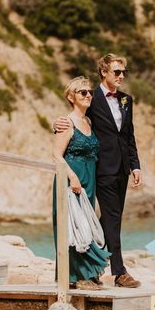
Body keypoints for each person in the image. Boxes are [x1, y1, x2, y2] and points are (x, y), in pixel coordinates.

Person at [54, 53, 142, 288]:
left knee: (112, 218)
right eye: (117, 72)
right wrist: (56, 124)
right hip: (100, 168)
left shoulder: (126, 100)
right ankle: (119, 272)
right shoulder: (91, 98)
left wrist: (135, 165)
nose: (121, 76)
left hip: (123, 168)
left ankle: (93, 265)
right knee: (112, 217)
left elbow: (128, 134)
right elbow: (75, 116)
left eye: (124, 72)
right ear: (104, 72)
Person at [52, 76, 111, 290]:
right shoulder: (66, 122)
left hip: (90, 178)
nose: (88, 95)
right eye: (82, 92)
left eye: (89, 92)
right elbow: (56, 154)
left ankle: (89, 272)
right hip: (72, 179)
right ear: (71, 97)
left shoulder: (88, 121)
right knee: (74, 226)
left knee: (86, 225)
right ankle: (78, 276)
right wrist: (73, 177)